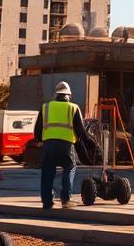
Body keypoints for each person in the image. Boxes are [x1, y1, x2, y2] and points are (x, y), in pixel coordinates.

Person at [33, 81, 95, 210]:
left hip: (48, 145)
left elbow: (37, 130)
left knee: (47, 172)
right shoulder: (73, 108)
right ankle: (66, 200)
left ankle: (47, 202)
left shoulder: (46, 107)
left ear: (56, 94)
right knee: (70, 167)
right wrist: (92, 145)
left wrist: (40, 139)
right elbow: (81, 132)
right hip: (66, 146)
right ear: (68, 95)